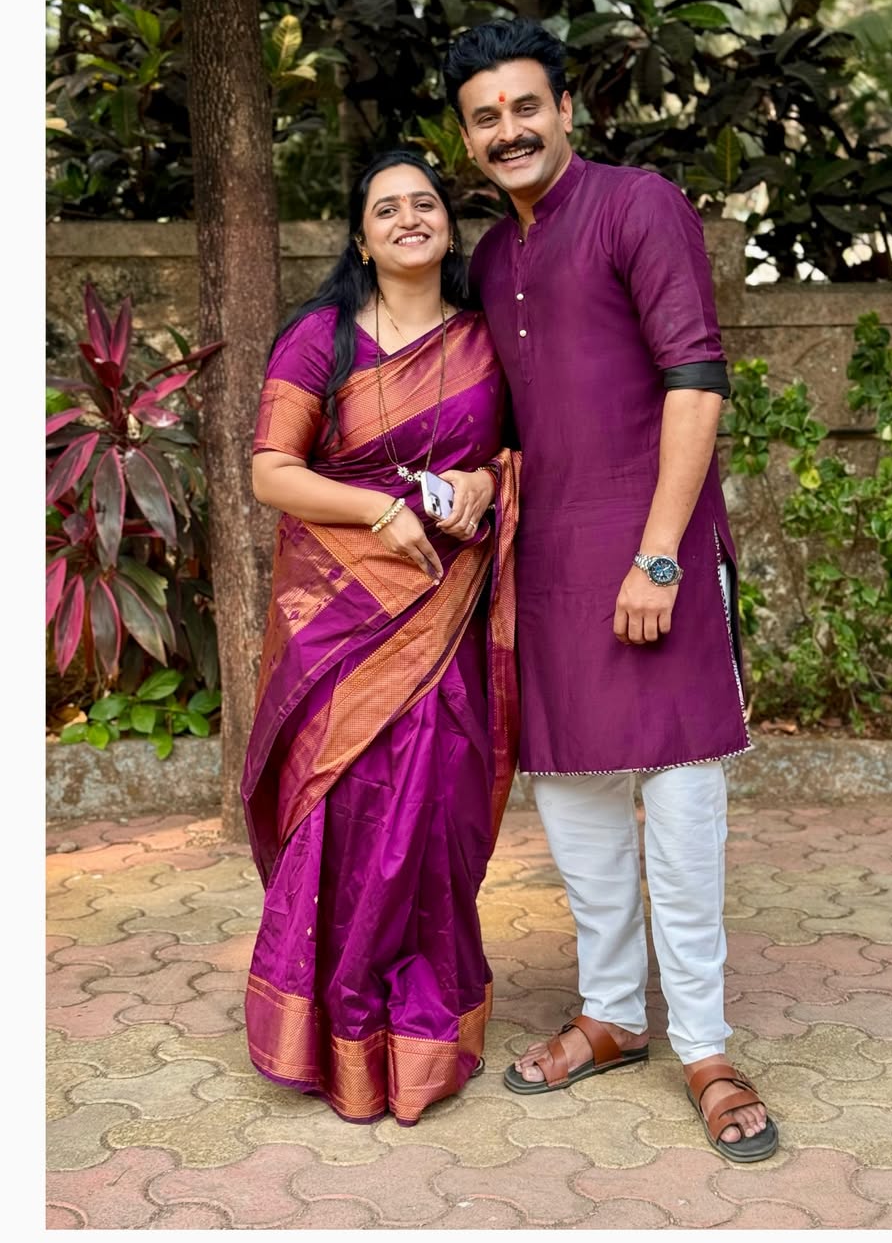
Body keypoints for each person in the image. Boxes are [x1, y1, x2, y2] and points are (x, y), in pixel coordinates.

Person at [442, 20, 778, 1162]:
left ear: (566, 109)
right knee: (577, 809)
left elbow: (697, 383)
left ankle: (708, 1048)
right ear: (468, 137)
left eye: (525, 106)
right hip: (549, 569)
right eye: (486, 117)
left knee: (681, 807)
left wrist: (661, 556)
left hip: (655, 554)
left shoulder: (640, 206)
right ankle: (614, 1013)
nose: (509, 130)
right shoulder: (493, 259)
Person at [241, 149, 521, 1127]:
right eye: (387, 208)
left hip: (447, 614)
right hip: (343, 623)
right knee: (349, 813)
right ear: (361, 239)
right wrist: (376, 510)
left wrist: (486, 482)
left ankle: (423, 1028)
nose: (409, 218)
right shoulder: (322, 339)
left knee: (433, 817)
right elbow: (272, 471)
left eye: (425, 203)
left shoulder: (488, 339)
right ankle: (340, 1033)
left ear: (448, 223)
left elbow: (523, 453)